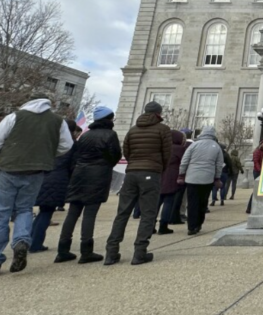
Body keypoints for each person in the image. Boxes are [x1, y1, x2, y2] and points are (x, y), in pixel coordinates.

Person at [0, 93, 73, 277]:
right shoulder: (57, 121)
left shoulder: (15, 116)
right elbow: (66, 145)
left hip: (9, 168)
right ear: (48, 104)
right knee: (25, 209)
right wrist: (46, 153)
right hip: (37, 170)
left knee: (1, 215)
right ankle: (21, 241)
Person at [104, 101, 171, 266]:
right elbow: (167, 154)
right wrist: (159, 168)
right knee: (148, 213)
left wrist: (134, 164)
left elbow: (126, 151)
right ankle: (140, 252)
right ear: (159, 113)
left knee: (122, 213)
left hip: (132, 173)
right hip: (151, 173)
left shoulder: (132, 130)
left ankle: (111, 253)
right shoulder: (163, 129)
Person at [57, 106, 121, 264]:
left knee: (73, 212)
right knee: (90, 214)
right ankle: (86, 251)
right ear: (109, 119)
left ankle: (62, 250)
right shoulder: (110, 134)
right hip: (97, 175)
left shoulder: (85, 135)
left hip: (80, 174)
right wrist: (105, 165)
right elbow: (115, 155)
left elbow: (76, 156)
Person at [30, 119, 81, 253]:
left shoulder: (50, 141)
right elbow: (73, 165)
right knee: (46, 213)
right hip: (59, 179)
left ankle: (31, 239)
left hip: (44, 176)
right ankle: (35, 243)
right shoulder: (71, 144)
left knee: (43, 212)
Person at [179, 126, 224, 236]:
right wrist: (217, 177)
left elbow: (184, 161)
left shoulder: (194, 145)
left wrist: (181, 174)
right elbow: (219, 165)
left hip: (191, 177)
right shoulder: (216, 147)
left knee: (192, 202)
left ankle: (191, 226)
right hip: (207, 178)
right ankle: (199, 223)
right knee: (203, 202)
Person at [158, 129, 187, 235]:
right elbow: (184, 163)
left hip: (160, 176)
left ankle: (151, 225)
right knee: (168, 202)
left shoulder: (162, 148)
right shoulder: (180, 149)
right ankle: (163, 225)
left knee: (157, 202)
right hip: (172, 177)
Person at [247, 139, 263, 214]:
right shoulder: (257, 151)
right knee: (257, 189)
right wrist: (261, 171)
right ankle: (249, 207)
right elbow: (256, 162)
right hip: (258, 172)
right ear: (261, 143)